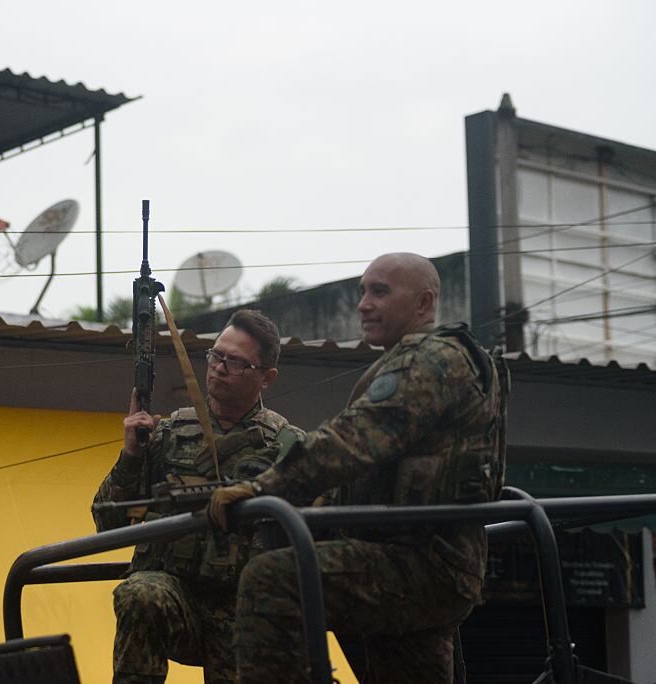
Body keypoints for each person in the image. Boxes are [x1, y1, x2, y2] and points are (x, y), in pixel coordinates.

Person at [208, 253, 508, 683]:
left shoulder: (430, 359)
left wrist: (263, 490)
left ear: (424, 303)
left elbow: (353, 440)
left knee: (275, 579)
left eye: (380, 292)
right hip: (424, 559)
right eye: (362, 291)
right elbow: (369, 472)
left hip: (421, 563)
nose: (363, 304)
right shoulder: (441, 356)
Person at [93, 309, 305, 684]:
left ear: (266, 377)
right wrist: (131, 455)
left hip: (246, 609)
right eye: (216, 355)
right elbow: (106, 521)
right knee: (140, 593)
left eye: (236, 362)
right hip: (176, 598)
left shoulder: (286, 446)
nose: (220, 368)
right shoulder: (168, 432)